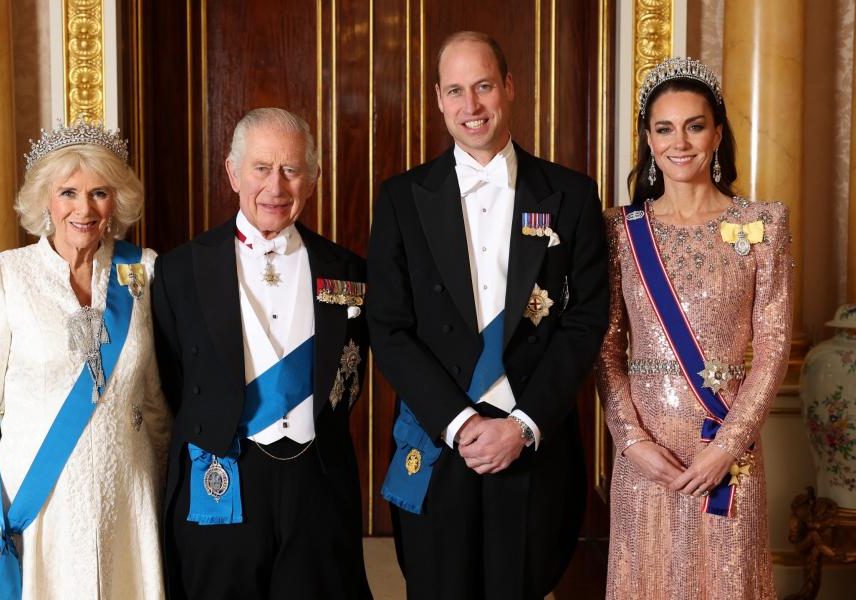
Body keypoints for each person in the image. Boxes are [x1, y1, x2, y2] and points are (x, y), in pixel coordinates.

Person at [368, 31, 609, 599]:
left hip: (529, 438)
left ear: (509, 87)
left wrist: (521, 425)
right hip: (439, 438)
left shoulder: (570, 194)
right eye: (455, 91)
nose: (470, 106)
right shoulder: (402, 197)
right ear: (438, 99)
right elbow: (389, 327)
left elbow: (586, 319)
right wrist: (463, 425)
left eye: (482, 87)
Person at [153, 107, 372, 600]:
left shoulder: (350, 271)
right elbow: (171, 383)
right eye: (261, 168)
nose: (276, 187)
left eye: (292, 169)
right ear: (232, 173)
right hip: (223, 475)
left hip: (317, 484)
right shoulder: (178, 271)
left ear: (312, 179)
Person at [596, 56, 791, 599]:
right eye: (664, 128)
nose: (679, 142)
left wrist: (727, 446)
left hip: (725, 452)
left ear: (718, 133)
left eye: (694, 125)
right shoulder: (621, 230)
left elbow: (774, 345)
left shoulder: (763, 224)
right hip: (647, 457)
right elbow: (607, 347)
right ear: (649, 140)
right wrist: (631, 441)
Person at [0, 119, 171, 599]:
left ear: (117, 202)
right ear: (45, 201)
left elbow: (154, 401)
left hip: (126, 503)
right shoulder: (3, 277)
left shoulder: (143, 272)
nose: (83, 209)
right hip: (39, 504)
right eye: (68, 192)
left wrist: (164, 499)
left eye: (99, 193)